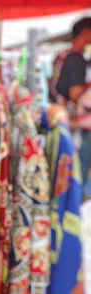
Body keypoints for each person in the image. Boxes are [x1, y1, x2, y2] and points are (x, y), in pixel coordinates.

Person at [51, 16, 91, 197]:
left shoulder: (62, 55)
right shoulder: (77, 59)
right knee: (77, 165)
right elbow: (75, 94)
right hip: (72, 122)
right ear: (85, 33)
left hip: (57, 117)